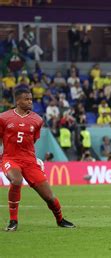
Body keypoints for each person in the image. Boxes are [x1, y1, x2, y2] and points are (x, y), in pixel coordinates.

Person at [0, 87, 75, 231]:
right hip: (11, 158)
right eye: (26, 99)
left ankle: (60, 220)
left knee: (49, 197)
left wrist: (33, 159)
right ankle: (13, 221)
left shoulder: (37, 120)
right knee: (16, 180)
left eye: (31, 99)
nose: (30, 102)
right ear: (17, 101)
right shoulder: (3, 118)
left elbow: (31, 141)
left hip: (29, 161)